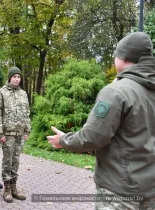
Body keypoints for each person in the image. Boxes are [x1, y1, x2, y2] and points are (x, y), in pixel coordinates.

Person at [47, 32, 155, 209]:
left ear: (124, 58)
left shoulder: (115, 92)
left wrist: (64, 140)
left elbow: (92, 137)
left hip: (121, 192)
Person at [0, 67, 31, 203]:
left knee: (16, 161)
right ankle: (7, 188)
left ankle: (14, 187)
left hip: (20, 134)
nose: (16, 79)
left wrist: (27, 130)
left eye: (18, 77)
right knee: (7, 161)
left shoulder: (23, 93)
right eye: (14, 77)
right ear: (9, 78)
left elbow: (27, 113)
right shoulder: (1, 93)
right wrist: (0, 133)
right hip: (7, 134)